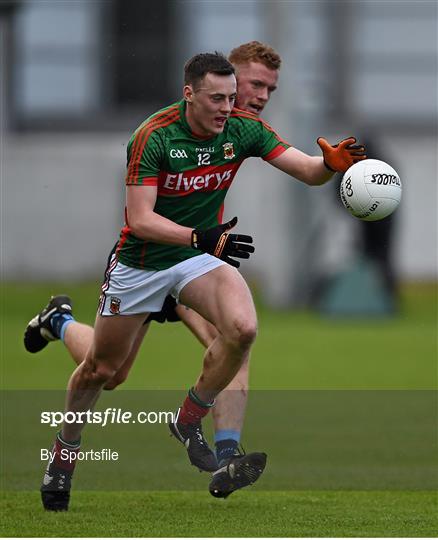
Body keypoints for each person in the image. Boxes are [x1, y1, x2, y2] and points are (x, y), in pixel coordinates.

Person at [31, 51, 366, 511]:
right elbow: (140, 219)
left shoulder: (244, 129)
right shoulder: (154, 136)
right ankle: (63, 452)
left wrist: (330, 165)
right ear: (189, 94)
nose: (228, 108)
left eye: (232, 98)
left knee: (242, 329)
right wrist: (199, 235)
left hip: (198, 257)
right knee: (104, 371)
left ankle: (190, 421)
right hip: (143, 263)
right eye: (217, 98)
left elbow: (305, 170)